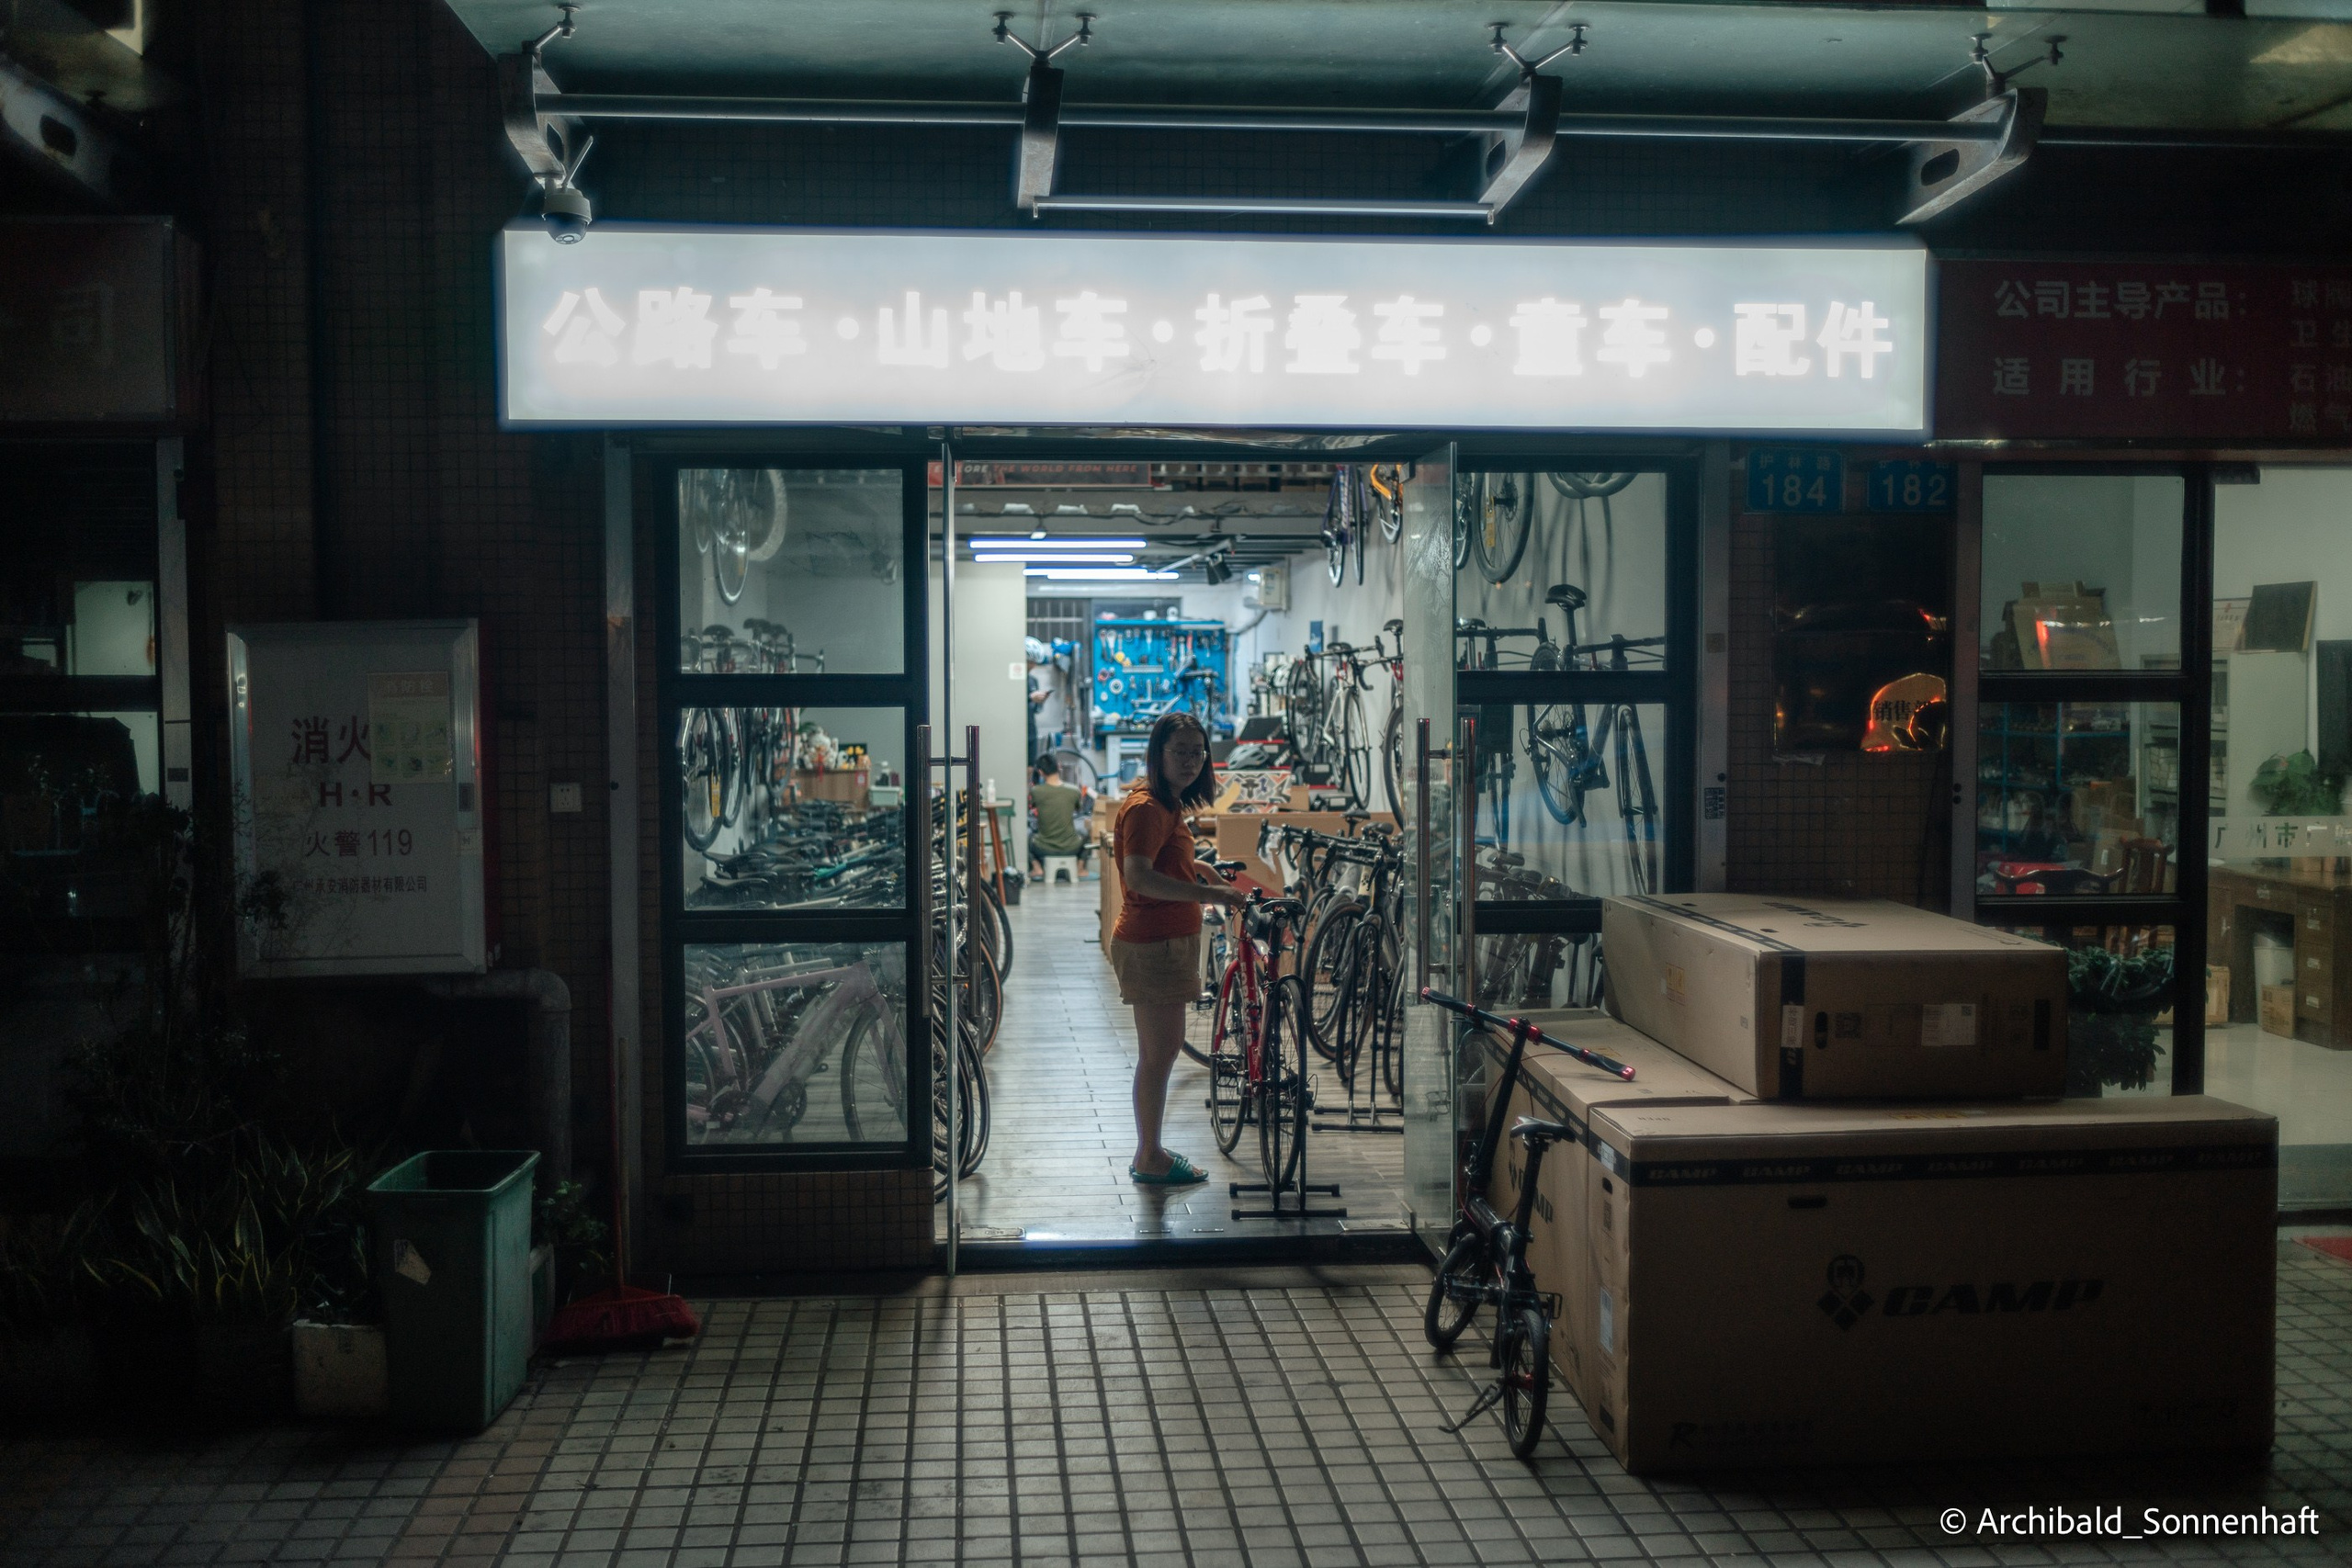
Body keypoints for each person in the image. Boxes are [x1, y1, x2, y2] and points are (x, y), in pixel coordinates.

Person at [1109, 712, 1246, 1185]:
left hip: (1164, 942)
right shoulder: (1148, 807)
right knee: (1160, 1053)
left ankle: (1150, 1151)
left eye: (1198, 751)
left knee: (1161, 1051)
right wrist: (1214, 895)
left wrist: (1203, 872)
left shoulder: (1168, 804)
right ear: (1158, 753)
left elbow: (1165, 862)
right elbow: (1139, 876)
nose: (1191, 761)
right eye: (1180, 751)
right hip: (1153, 944)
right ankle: (1149, 1155)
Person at [1028, 752, 1088, 874]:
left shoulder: (1036, 791)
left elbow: (1031, 806)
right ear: (1059, 766)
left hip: (1044, 848)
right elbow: (1078, 810)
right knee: (1085, 833)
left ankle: (1036, 867)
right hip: (1072, 847)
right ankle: (1080, 867)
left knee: (1027, 835)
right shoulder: (1074, 791)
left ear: (1040, 772)